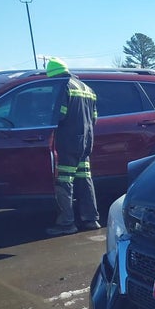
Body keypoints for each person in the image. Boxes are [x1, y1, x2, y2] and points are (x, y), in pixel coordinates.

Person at [45, 57, 101, 236]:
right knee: (85, 180)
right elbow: (94, 118)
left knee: (64, 181)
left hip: (68, 142)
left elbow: (59, 116)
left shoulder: (64, 87)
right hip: (86, 141)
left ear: (54, 75)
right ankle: (91, 219)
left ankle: (66, 223)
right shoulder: (87, 88)